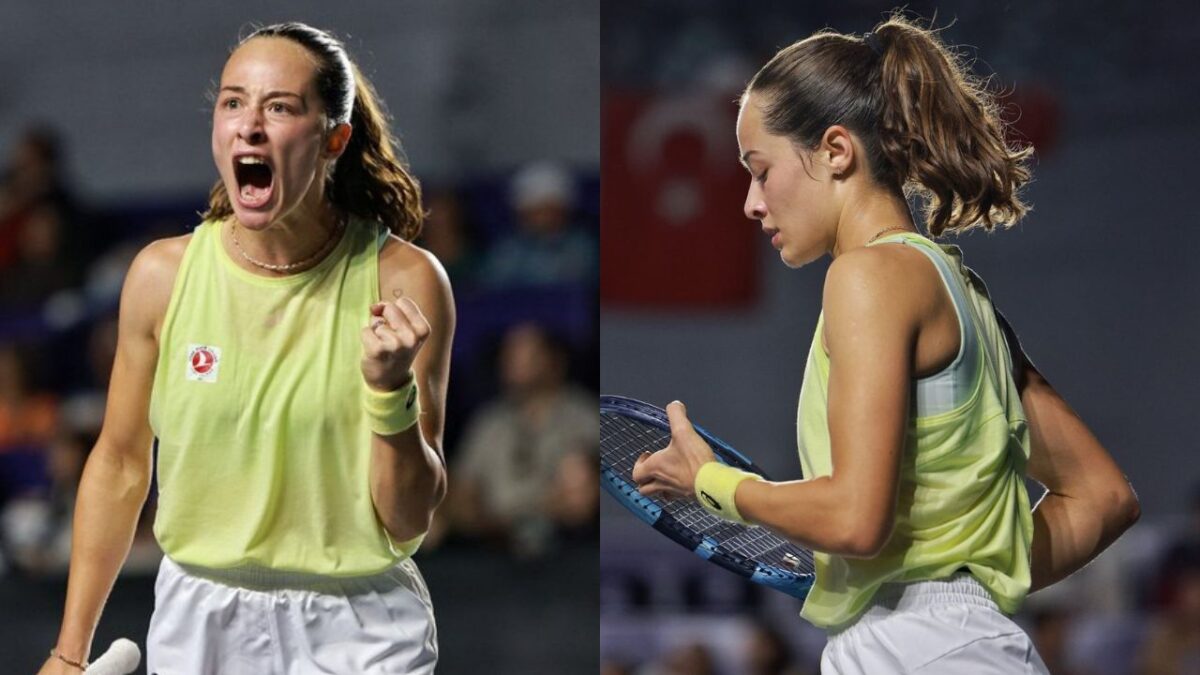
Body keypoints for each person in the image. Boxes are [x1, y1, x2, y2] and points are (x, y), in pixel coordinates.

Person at [632, 14, 1139, 674]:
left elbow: (854, 517)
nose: (752, 203)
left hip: (922, 651)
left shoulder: (865, 276)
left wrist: (712, 482)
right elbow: (1103, 496)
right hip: (959, 647)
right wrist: (971, 580)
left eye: (762, 170)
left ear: (837, 151)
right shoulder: (961, 293)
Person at [40, 22, 453, 674]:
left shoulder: (404, 281)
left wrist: (388, 391)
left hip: (358, 625)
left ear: (333, 140)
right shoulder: (161, 277)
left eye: (280, 107)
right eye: (233, 102)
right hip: (199, 618)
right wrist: (69, 652)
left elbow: (406, 519)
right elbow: (120, 464)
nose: (248, 126)